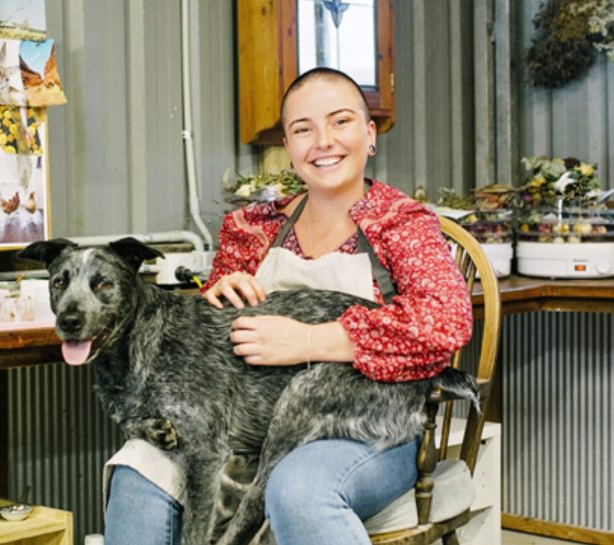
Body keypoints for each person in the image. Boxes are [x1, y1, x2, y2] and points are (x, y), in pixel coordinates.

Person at [104, 67, 474, 545]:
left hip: (363, 430)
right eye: (303, 129)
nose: (323, 141)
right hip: (242, 430)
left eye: (340, 122)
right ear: (288, 145)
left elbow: (445, 323)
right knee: (140, 469)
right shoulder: (252, 228)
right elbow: (209, 347)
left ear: (369, 134)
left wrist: (307, 341)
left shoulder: (400, 225)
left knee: (297, 488)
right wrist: (218, 294)